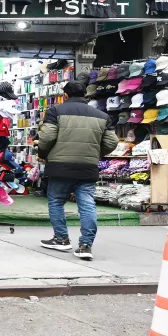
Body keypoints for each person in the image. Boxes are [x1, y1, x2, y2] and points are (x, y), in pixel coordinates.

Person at [36, 80, 118, 261]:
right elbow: (112, 142)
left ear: (65, 95)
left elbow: (47, 136)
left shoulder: (55, 111)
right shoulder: (102, 116)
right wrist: (95, 153)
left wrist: (43, 152)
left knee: (56, 201)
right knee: (87, 205)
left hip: (60, 166)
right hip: (88, 167)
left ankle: (61, 238)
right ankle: (86, 245)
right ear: (85, 95)